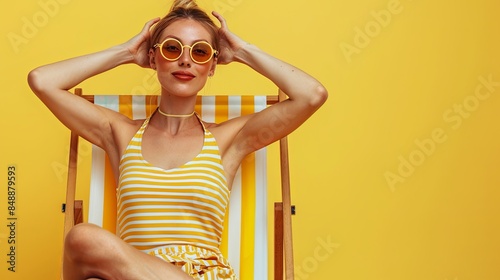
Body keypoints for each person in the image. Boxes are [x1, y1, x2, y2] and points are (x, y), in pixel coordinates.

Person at [28, 0, 328, 279]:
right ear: (153, 57)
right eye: (172, 49)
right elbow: (42, 81)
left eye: (199, 52)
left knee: (86, 239)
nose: (185, 60)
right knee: (82, 237)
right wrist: (125, 53)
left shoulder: (228, 139)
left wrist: (241, 51)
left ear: (212, 66)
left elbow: (311, 95)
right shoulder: (120, 133)